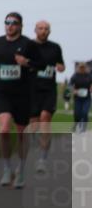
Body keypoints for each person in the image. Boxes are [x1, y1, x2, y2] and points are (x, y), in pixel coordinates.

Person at [0, 12, 45, 189]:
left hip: (23, 94)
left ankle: (22, 170)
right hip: (2, 93)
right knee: (3, 129)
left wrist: (26, 63)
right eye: (7, 22)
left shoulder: (28, 44)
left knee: (21, 133)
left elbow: (41, 65)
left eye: (14, 23)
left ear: (20, 26)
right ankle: (7, 169)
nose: (10, 26)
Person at [29, 20, 66, 173]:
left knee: (45, 118)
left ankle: (42, 159)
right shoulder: (28, 46)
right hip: (31, 90)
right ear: (35, 30)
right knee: (34, 124)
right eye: (41, 28)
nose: (43, 31)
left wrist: (60, 67)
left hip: (49, 89)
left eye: (46, 29)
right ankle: (35, 147)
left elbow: (62, 65)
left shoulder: (55, 47)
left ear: (49, 31)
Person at [70, 62, 92, 133]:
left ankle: (84, 126)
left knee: (84, 112)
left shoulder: (89, 76)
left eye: (83, 67)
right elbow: (70, 84)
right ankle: (76, 124)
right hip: (77, 98)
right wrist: (74, 90)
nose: (82, 69)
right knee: (77, 113)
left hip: (87, 98)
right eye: (81, 68)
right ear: (79, 68)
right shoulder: (75, 76)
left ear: (85, 68)